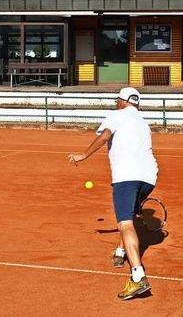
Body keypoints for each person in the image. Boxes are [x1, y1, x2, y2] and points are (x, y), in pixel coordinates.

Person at [68, 87, 158, 300]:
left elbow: (105, 135)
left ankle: (138, 277)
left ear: (122, 101)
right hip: (149, 177)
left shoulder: (116, 115)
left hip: (126, 177)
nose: (116, 103)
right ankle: (120, 253)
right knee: (128, 215)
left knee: (125, 222)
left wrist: (84, 155)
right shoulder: (143, 123)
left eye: (117, 99)